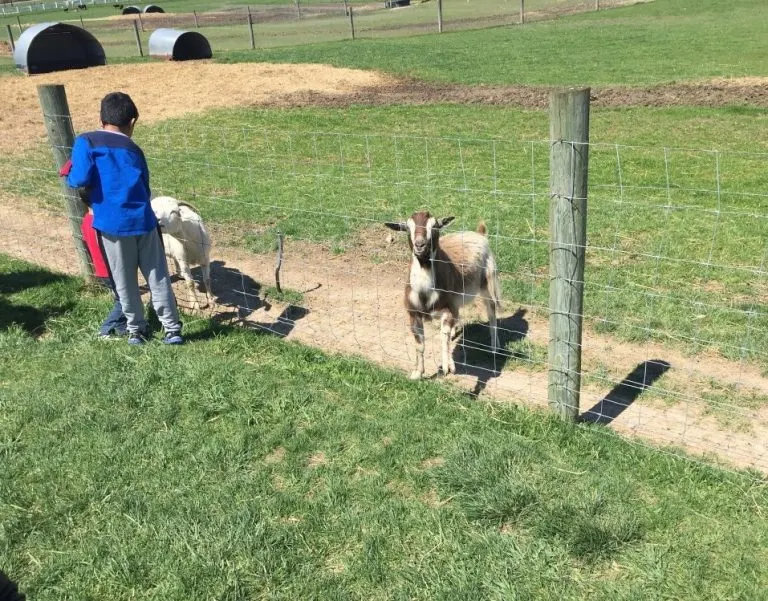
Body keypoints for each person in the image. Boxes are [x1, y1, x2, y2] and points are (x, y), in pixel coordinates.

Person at [65, 91, 183, 345]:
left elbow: (80, 178)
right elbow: (145, 184)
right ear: (132, 122)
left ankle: (136, 331)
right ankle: (172, 330)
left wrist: (68, 175)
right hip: (144, 221)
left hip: (112, 225)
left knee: (124, 279)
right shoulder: (133, 148)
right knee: (158, 276)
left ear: (101, 118)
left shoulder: (87, 141)